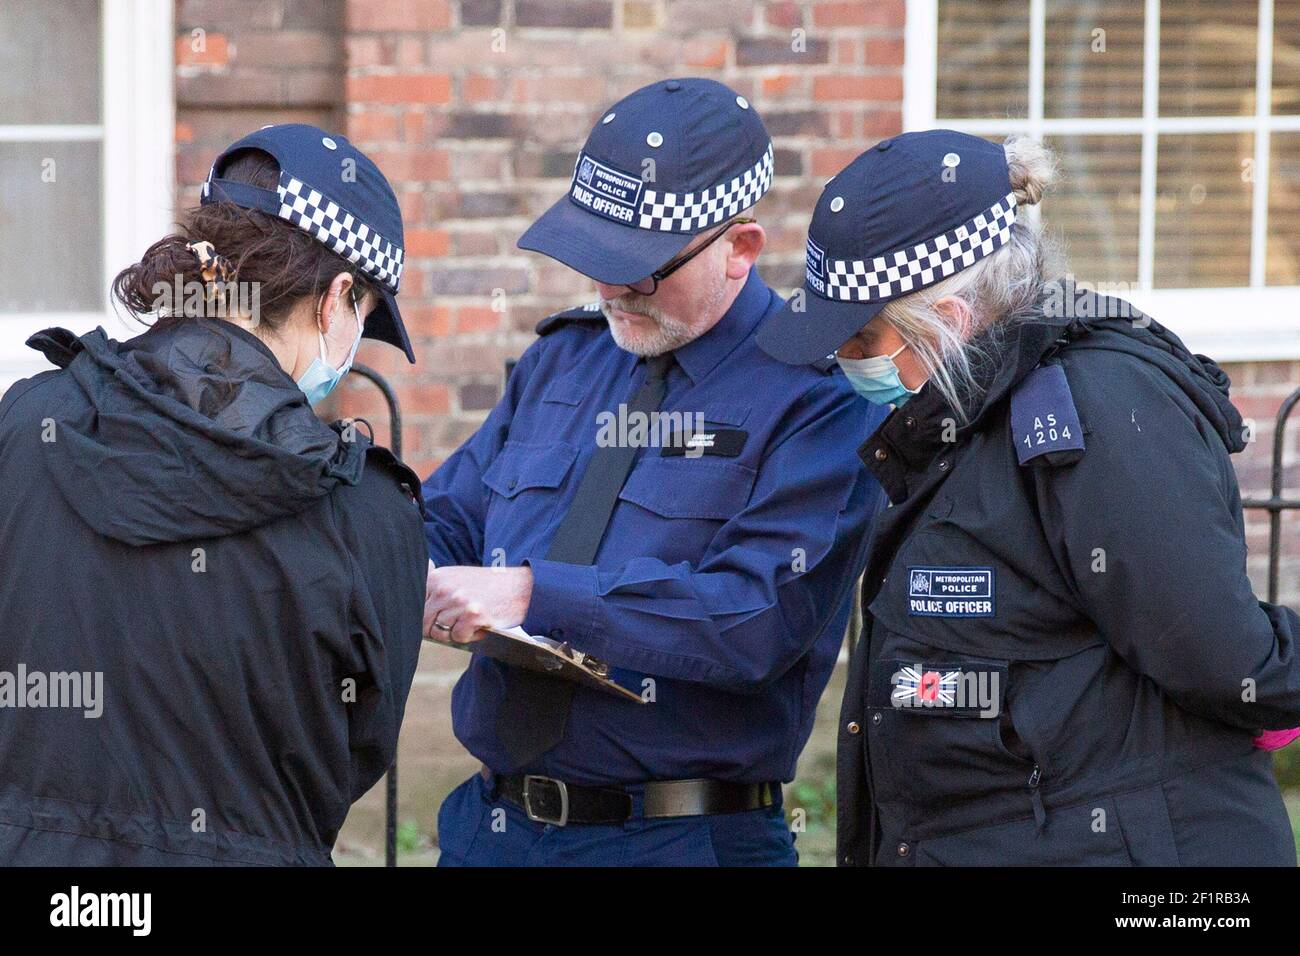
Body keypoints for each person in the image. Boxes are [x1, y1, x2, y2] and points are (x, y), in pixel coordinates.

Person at [757, 128, 1300, 866]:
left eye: (859, 341)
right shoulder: (957, 417)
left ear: (947, 323)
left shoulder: (1098, 408)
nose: (843, 363)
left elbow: (1224, 661)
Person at [421, 78, 888, 866]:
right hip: (493, 829)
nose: (610, 291)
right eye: (594, 260)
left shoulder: (817, 399)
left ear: (740, 249)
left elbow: (757, 619)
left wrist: (538, 594)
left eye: (642, 270)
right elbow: (448, 515)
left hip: (678, 837)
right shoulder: (565, 360)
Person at [0, 124, 427, 865]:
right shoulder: (368, 512)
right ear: (334, 301)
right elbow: (357, 749)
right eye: (364, 314)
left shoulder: (24, 425)